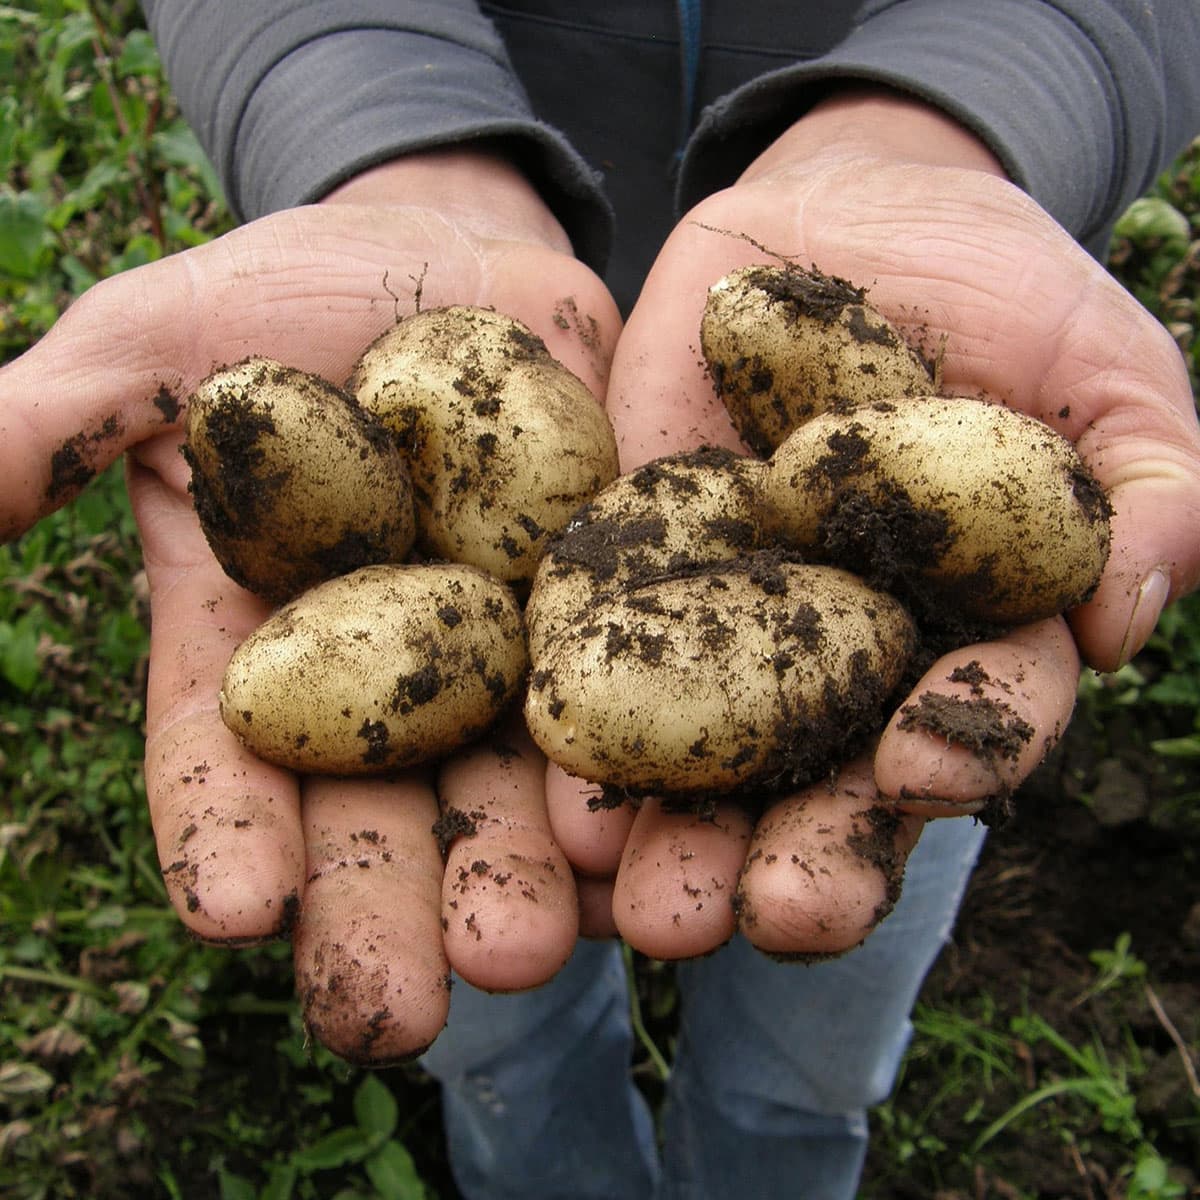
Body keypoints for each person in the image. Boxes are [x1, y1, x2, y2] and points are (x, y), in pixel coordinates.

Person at [4, 2, 1200, 1196]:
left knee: (815, 1026)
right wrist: (386, 133)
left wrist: (955, 116)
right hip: (508, 293)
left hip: (887, 549)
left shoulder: (815, 509)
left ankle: (774, 1143)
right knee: (496, 1010)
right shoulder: (520, 559)